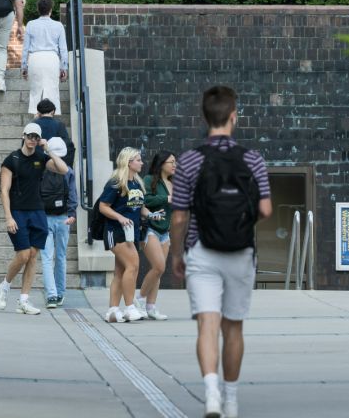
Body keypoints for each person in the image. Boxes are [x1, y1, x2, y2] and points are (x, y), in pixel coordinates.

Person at [168, 86, 271, 418]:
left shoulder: (190, 160)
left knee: (207, 326)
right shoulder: (252, 158)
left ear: (203, 118)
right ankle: (232, 400)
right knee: (234, 327)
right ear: (233, 116)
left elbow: (180, 215)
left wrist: (177, 254)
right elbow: (267, 209)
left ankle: (211, 395)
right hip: (241, 252)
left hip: (202, 250)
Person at [0, 121, 69, 316]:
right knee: (23, 255)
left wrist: (48, 149)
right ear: (23, 135)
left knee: (33, 255)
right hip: (18, 212)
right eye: (30, 136)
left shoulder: (41, 157)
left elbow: (63, 169)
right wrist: (8, 216)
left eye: (36, 137)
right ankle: (4, 286)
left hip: (37, 211)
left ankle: (24, 300)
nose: (32, 140)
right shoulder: (12, 159)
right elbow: (4, 190)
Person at [97, 147, 150, 324]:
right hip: (115, 231)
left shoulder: (136, 182)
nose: (141, 162)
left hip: (131, 232)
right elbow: (103, 206)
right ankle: (130, 308)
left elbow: (138, 206)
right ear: (129, 162)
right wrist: (120, 217)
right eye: (138, 160)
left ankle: (112, 311)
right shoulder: (116, 182)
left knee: (120, 272)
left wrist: (151, 214)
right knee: (133, 265)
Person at [38, 136, 79, 309]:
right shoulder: (68, 170)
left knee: (46, 258)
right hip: (63, 218)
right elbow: (72, 194)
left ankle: (51, 295)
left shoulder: (41, 169)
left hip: (44, 217)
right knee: (61, 256)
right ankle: (60, 293)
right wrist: (72, 213)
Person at [139, 151, 176, 320]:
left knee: (158, 271)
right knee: (159, 266)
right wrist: (167, 198)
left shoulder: (173, 182)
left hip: (164, 232)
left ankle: (151, 307)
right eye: (171, 162)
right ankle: (139, 299)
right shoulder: (149, 180)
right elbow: (144, 201)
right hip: (151, 229)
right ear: (162, 164)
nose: (175, 165)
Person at [20, 0, 68, 113]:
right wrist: (64, 68)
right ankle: (50, 119)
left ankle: (37, 122)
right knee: (52, 92)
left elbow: (25, 48)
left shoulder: (31, 24)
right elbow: (63, 49)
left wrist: (24, 67)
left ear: (38, 9)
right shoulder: (58, 26)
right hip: (52, 59)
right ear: (50, 10)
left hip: (35, 59)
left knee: (36, 92)